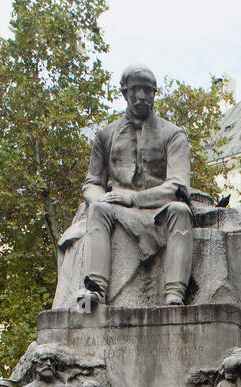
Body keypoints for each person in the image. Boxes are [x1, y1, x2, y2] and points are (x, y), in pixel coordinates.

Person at [77, 64, 194, 308]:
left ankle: (174, 294)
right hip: (117, 209)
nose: (141, 96)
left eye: (148, 91)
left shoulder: (173, 135)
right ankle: (95, 291)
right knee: (97, 210)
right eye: (135, 90)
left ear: (154, 93)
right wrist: (101, 198)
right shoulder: (105, 136)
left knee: (181, 212)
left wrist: (133, 199)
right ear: (124, 92)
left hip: (158, 209)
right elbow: (92, 183)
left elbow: (178, 185)